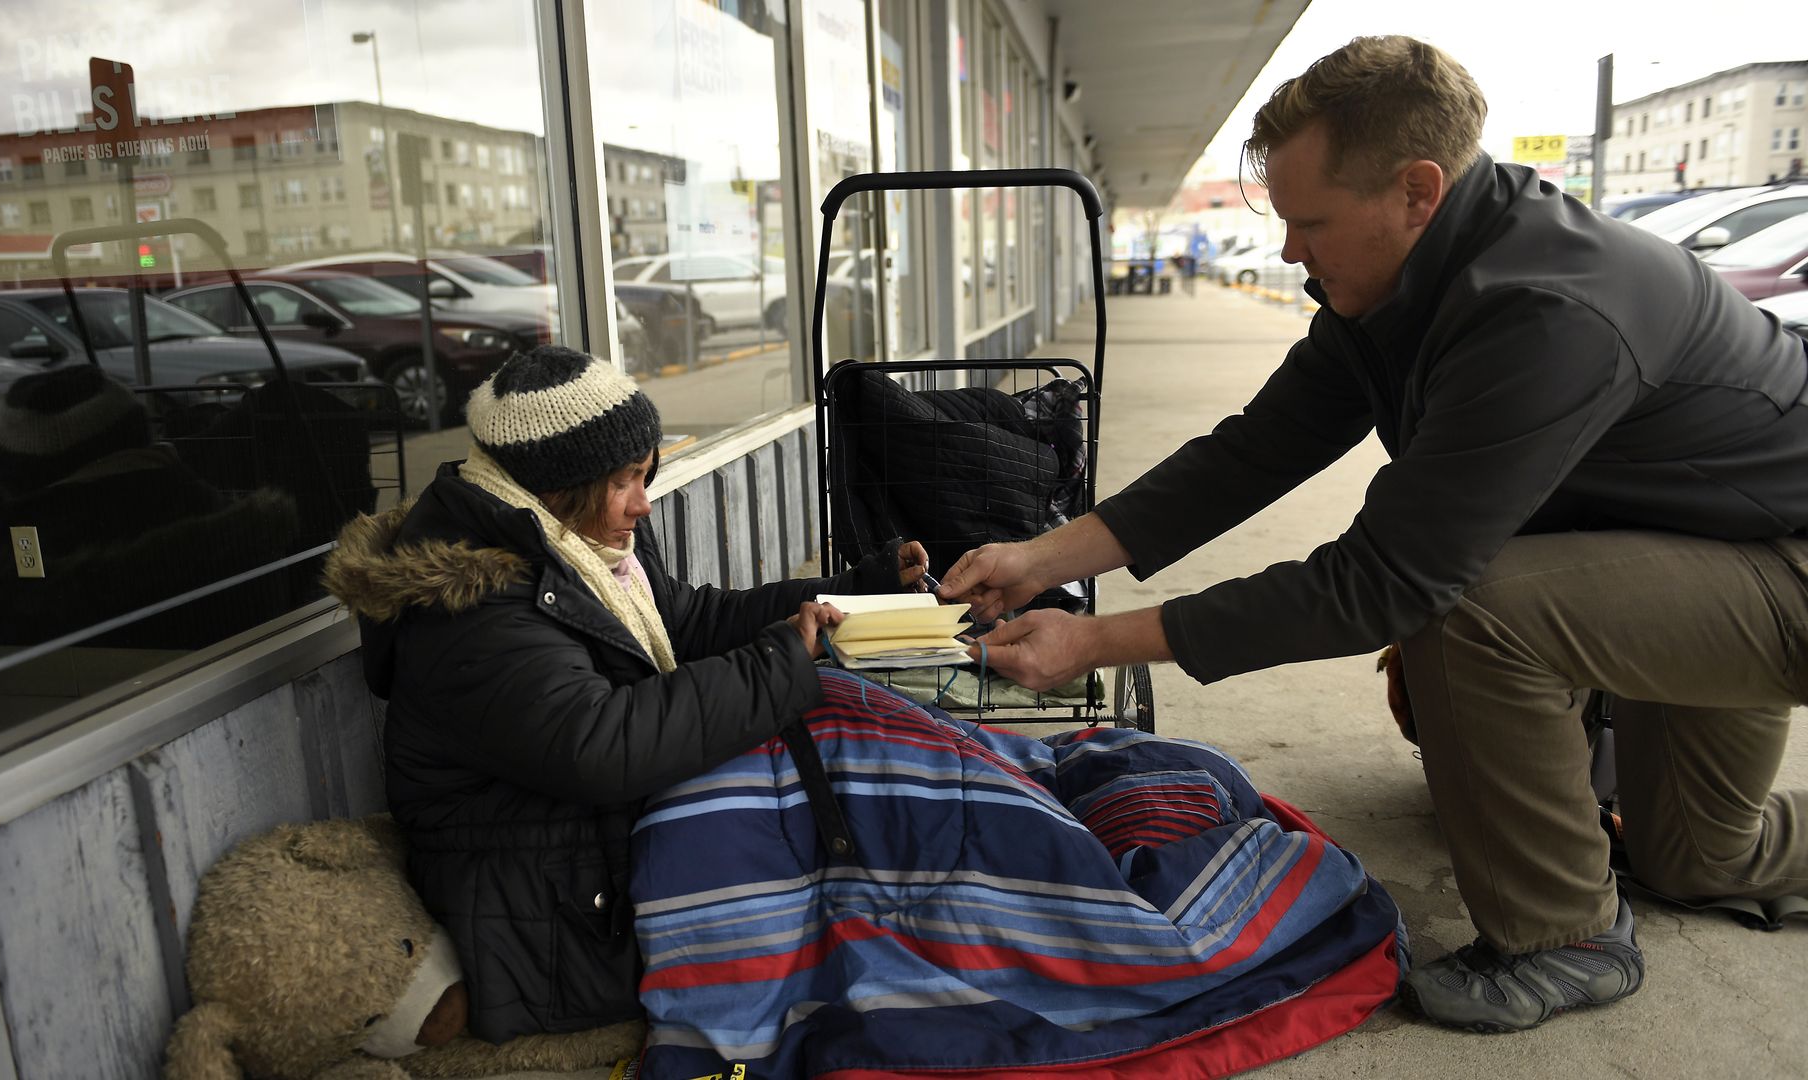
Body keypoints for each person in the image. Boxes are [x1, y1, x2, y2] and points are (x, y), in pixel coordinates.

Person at [937, 35, 1808, 1033]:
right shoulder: (1400, 278)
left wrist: (1093, 640)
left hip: (1780, 566)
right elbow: (1257, 450)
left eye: (1310, 222)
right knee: (1695, 858)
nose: (1289, 250)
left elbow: (1387, 579)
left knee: (1471, 612)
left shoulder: (1547, 309)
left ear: (1416, 191)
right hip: (1688, 549)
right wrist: (1040, 559)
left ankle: (1563, 934)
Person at [320, 344, 926, 1044]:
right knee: (855, 870)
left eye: (647, 474)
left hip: (596, 864)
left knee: (868, 779)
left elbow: (691, 621)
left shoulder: (579, 544)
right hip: (558, 928)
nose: (644, 502)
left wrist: (853, 591)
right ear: (556, 485)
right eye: (625, 482)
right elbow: (602, 745)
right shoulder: (473, 606)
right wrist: (781, 662)